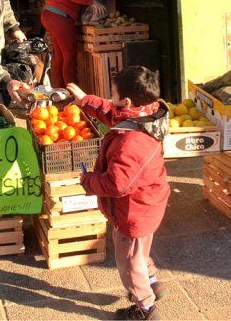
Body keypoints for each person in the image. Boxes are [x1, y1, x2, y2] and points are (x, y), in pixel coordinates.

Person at [66, 66, 170, 320]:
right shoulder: (146, 115)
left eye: (112, 94)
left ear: (126, 101)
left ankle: (145, 308)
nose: (110, 99)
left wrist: (89, 182)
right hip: (147, 204)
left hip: (133, 212)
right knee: (140, 251)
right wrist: (85, 100)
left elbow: (117, 184)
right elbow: (112, 112)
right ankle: (153, 282)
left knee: (128, 262)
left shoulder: (133, 142)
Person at [42, 0, 107, 87]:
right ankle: (72, 93)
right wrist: (91, 1)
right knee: (70, 56)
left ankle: (60, 91)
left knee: (60, 56)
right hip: (60, 18)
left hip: (50, 15)